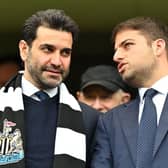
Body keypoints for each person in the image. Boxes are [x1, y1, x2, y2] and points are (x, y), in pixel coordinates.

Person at [0, 9, 100, 168]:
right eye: (48, 49)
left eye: (65, 52)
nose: (57, 61)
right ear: (24, 50)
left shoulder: (89, 118)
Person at [91, 16, 168, 168]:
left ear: (158, 47)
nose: (116, 57)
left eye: (127, 45)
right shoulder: (110, 121)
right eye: (116, 50)